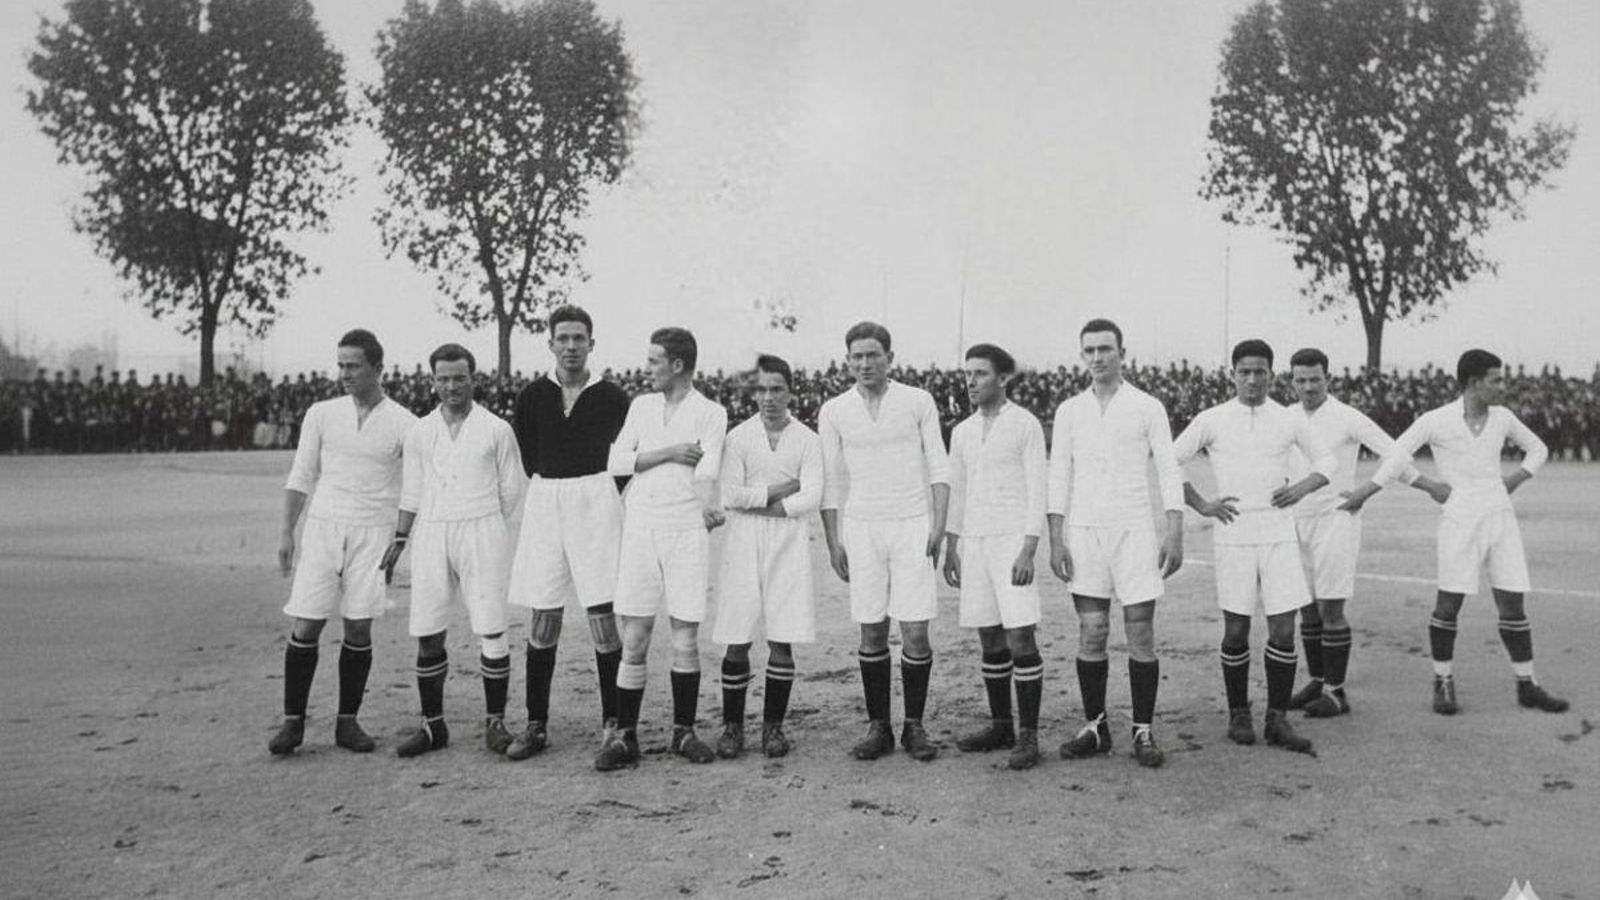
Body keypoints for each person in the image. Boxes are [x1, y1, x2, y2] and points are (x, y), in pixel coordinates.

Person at [1347, 349, 1566, 716]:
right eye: (1496, 379)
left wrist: (1516, 478)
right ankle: (1443, 681)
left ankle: (1527, 684)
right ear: (1473, 383)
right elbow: (1397, 456)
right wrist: (1399, 489)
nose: (1502, 385)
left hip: (1500, 518)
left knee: (1513, 604)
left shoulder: (1503, 418)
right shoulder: (1436, 420)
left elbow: (1538, 449)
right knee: (1449, 605)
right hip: (1460, 521)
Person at [1174, 339, 1333, 755]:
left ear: (1271, 374)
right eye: (1244, 371)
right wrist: (1203, 504)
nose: (1252, 379)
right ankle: (1238, 713)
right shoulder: (1213, 418)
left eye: (1260, 371)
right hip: (1234, 535)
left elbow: (1328, 463)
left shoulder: (1287, 419)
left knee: (1284, 628)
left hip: (1279, 534)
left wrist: (1299, 489)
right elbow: (1168, 460)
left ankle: (1277, 718)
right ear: (1233, 374)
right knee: (1237, 628)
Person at [269, 329, 417, 755]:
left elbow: (417, 487)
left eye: (353, 366)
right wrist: (286, 532)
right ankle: (293, 723)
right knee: (307, 622)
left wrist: (400, 538)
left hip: (374, 533)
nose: (345, 374)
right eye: (341, 365)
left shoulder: (404, 423)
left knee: (357, 624)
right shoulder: (321, 413)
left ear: (377, 368)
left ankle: (347, 723)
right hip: (323, 528)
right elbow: (301, 475)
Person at [1046, 319, 1184, 769]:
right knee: (1093, 631)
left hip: (1134, 532)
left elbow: (1167, 468)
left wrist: (1174, 529)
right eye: (1089, 350)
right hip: (1085, 533)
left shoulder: (1147, 407)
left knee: (1140, 633)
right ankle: (1096, 725)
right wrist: (1056, 537)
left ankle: (1143, 729)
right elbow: (1058, 476)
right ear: (1081, 354)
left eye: (1106, 349)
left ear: (1123, 352)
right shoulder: (1070, 410)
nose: (1098, 357)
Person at [380, 344, 526, 757]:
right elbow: (411, 492)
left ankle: (495, 723)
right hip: (431, 531)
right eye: (442, 379)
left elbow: (511, 490)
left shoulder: (496, 429)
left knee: (492, 628)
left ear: (472, 379)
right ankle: (433, 726)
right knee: (428, 630)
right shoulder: (420, 432)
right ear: (432, 382)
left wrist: (481, 520)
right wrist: (401, 538)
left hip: (482, 529)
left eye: (458, 378)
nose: (450, 386)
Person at [595, 327, 728, 770]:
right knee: (634, 637)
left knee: (685, 640)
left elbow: (707, 468)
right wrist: (669, 451)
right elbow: (615, 461)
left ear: (676, 364)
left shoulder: (711, 412)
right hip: (641, 526)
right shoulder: (641, 406)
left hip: (686, 529)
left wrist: (709, 505)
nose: (646, 368)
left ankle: (683, 732)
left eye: (654, 361)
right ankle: (625, 737)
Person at [503, 306, 632, 760]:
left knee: (602, 614)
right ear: (551, 343)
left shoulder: (615, 398)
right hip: (547, 501)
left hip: (597, 501)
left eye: (580, 338)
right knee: (543, 614)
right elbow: (529, 455)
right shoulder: (532, 395)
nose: (572, 346)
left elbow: (624, 461)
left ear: (592, 343)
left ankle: (614, 725)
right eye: (564, 338)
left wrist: (597, 493)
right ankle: (536, 723)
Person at [819, 321, 951, 762]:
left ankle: (914, 725)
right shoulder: (834, 410)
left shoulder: (917, 401)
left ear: (890, 358)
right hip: (862, 527)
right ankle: (879, 727)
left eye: (873, 355)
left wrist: (938, 526)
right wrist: (833, 540)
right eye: (856, 357)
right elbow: (830, 481)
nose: (864, 364)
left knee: (915, 630)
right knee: (872, 627)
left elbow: (939, 466)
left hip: (912, 523)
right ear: (847, 361)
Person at [1284, 348, 1416, 719]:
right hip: (1295, 519)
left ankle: (1336, 692)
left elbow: (1397, 455)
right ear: (1291, 381)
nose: (1308, 387)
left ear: (1328, 378)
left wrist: (1366, 490)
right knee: (1306, 608)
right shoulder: (1286, 418)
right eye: (1301, 380)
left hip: (1335, 516)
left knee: (1331, 606)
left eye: (1315, 379)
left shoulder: (1347, 417)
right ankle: (1317, 680)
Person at [942, 343, 1048, 770]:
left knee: (1020, 636)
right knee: (988, 636)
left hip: (1011, 544)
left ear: (1003, 378)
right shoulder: (963, 431)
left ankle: (1029, 735)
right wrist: (953, 544)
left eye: (980, 374)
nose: (970, 381)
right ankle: (1001, 724)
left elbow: (1039, 489)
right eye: (968, 373)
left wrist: (1028, 547)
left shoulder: (1025, 424)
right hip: (975, 543)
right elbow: (958, 491)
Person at [712, 354, 823, 759]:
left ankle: (773, 728)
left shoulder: (808, 439)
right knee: (737, 636)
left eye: (777, 389)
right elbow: (730, 495)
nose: (769, 397)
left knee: (782, 635)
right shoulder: (738, 438)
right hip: (743, 542)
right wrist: (781, 489)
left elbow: (812, 495)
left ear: (791, 391)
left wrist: (768, 504)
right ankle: (732, 727)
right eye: (761, 389)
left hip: (789, 539)